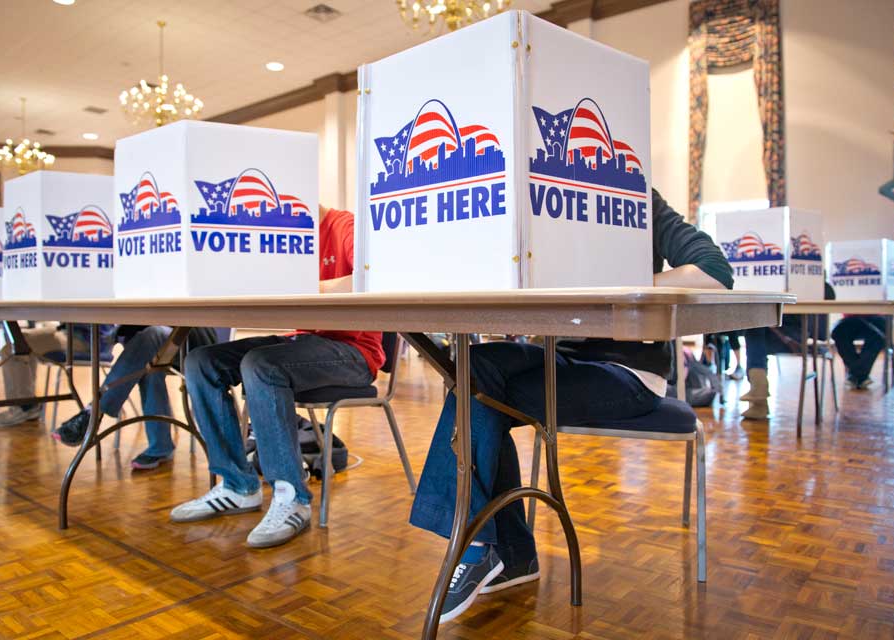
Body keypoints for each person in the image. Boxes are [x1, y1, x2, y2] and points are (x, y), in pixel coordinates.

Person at [408, 188, 733, 623]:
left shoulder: (634, 195)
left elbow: (715, 272)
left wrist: (618, 287)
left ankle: (480, 546)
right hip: (562, 359)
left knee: (482, 394)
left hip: (631, 373)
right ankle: (507, 555)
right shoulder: (540, 193)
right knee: (476, 373)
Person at [169, 206, 383, 549]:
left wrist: (304, 287)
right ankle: (238, 485)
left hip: (354, 351)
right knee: (201, 362)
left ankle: (291, 497)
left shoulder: (345, 226)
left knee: (261, 364)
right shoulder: (279, 236)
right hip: (303, 342)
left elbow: (374, 276)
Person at [53, 325, 218, 470]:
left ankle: (94, 411)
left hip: (192, 337)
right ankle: (160, 445)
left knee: (151, 336)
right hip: (157, 344)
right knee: (147, 357)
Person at [740, 282, 835, 420]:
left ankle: (759, 394)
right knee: (755, 329)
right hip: (783, 338)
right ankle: (758, 391)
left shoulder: (821, 288)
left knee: (755, 332)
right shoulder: (780, 282)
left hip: (802, 338)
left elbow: (820, 331)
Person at [0, 324, 115, 427]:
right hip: (73, 332)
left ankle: (23, 407)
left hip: (86, 339)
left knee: (13, 348)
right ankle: (26, 405)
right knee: (20, 342)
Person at [831, 315, 886, 389]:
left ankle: (855, 375)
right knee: (839, 333)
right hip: (850, 318)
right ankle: (860, 375)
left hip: (877, 318)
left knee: (878, 336)